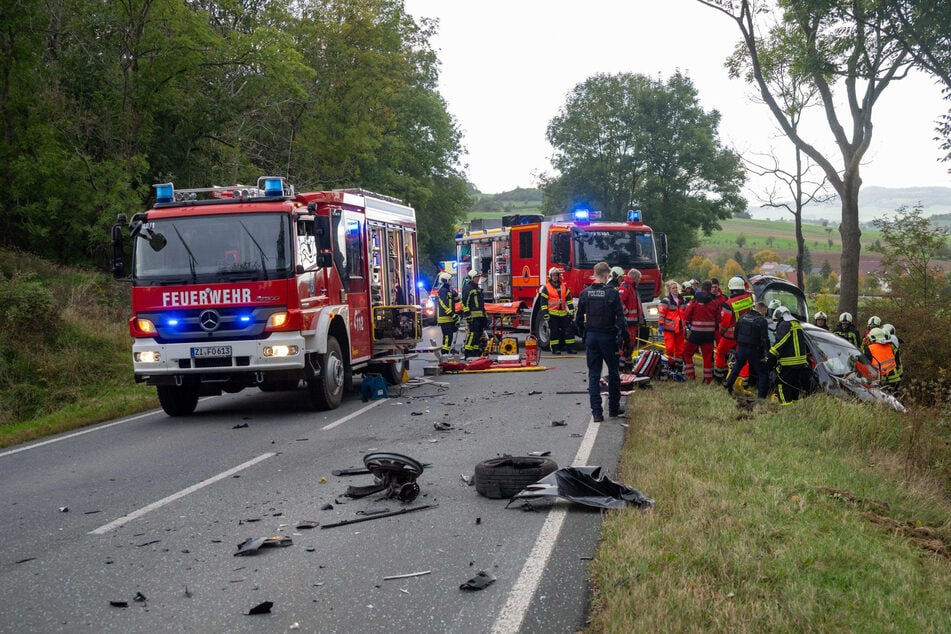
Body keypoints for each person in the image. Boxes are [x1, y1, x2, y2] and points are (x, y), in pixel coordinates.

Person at [575, 261, 629, 422]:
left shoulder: (585, 293)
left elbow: (578, 320)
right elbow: (621, 319)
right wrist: (625, 338)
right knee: (613, 373)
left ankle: (597, 413)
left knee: (593, 375)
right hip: (608, 337)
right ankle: (613, 408)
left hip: (592, 336)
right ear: (606, 274)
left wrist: (584, 334)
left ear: (595, 273)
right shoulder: (612, 293)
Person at [723, 301, 770, 398]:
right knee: (763, 373)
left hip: (741, 348)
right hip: (754, 351)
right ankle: (761, 397)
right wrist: (767, 351)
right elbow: (765, 339)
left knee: (737, 367)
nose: (765, 313)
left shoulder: (742, 317)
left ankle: (728, 384)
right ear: (761, 309)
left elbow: (736, 334)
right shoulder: (762, 321)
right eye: (765, 311)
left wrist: (739, 345)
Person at [767, 307, 812, 404]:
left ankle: (786, 407)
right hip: (800, 363)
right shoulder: (797, 324)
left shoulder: (785, 324)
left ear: (779, 316)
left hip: (789, 362)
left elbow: (782, 341)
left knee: (781, 383)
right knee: (794, 385)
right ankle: (794, 406)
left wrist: (771, 354)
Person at [714, 276, 754, 383]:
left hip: (730, 336)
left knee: (720, 352)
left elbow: (724, 324)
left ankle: (719, 376)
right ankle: (742, 381)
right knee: (743, 358)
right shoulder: (749, 298)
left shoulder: (728, 304)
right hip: (746, 334)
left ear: (731, 289)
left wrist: (721, 333)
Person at [682, 280, 719, 383]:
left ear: (701, 288)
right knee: (707, 357)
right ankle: (708, 379)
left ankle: (690, 375)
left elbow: (687, 314)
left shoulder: (695, 301)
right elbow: (718, 319)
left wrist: (689, 323)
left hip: (696, 334)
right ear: (710, 289)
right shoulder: (714, 302)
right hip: (709, 335)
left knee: (686, 353)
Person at [540, 267, 575, 354]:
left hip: (563, 313)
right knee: (554, 332)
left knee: (568, 331)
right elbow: (543, 303)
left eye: (556, 275)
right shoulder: (546, 288)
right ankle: (555, 349)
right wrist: (545, 314)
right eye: (553, 275)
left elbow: (569, 300)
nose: (555, 277)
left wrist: (571, 310)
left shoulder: (564, 287)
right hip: (552, 314)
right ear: (550, 276)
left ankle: (570, 348)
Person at [619, 268, 646, 359]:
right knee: (626, 343)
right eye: (639, 278)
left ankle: (627, 363)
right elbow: (620, 302)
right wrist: (626, 313)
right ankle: (622, 364)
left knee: (631, 344)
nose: (640, 281)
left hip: (632, 322)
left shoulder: (632, 287)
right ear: (635, 278)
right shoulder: (626, 286)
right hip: (628, 322)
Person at [461, 270, 487, 358]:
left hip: (480, 316)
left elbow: (481, 303)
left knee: (479, 334)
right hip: (472, 316)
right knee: (473, 334)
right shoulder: (468, 288)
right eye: (476, 277)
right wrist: (468, 316)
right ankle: (467, 351)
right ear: (472, 278)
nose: (478, 279)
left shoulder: (477, 288)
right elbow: (464, 303)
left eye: (478, 277)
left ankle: (475, 351)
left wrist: (484, 315)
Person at [658, 280, 686, 363]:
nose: (675, 289)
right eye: (673, 288)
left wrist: (687, 323)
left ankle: (678, 364)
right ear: (669, 290)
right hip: (669, 328)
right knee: (669, 348)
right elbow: (661, 314)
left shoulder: (682, 300)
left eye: (676, 288)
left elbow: (685, 312)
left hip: (680, 328)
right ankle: (670, 364)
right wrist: (661, 324)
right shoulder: (666, 301)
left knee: (680, 348)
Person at [435, 272, 460, 356]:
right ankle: (444, 353)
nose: (451, 281)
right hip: (445, 318)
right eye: (450, 280)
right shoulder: (442, 291)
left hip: (450, 318)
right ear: (445, 281)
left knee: (450, 336)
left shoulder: (449, 290)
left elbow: (457, 300)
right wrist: (452, 314)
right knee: (447, 336)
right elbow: (444, 305)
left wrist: (454, 292)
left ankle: (446, 353)